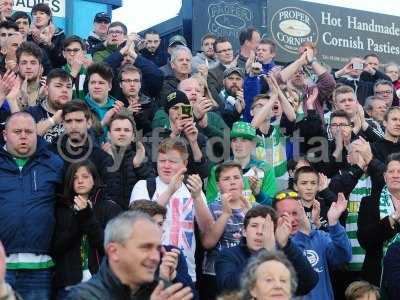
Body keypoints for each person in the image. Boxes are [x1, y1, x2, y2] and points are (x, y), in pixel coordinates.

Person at [130, 137, 214, 283]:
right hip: (149, 270)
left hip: (187, 271)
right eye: (162, 161)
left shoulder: (194, 188)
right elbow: (139, 223)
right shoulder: (143, 186)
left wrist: (198, 198)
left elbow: (207, 230)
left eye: (173, 161)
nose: (166, 166)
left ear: (185, 164)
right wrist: (169, 191)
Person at [1, 112, 64, 300]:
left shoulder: (53, 164)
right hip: (2, 267)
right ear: (5, 134)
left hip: (39, 268)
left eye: (29, 131)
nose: (23, 136)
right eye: (17, 131)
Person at [66, 211, 194, 299]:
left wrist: (172, 279)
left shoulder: (159, 288)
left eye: (158, 248)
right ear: (114, 251)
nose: (155, 257)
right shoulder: (83, 296)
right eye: (145, 247)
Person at [52, 160, 121, 299]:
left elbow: (108, 246)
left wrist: (87, 216)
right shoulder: (61, 208)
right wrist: (79, 218)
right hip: (68, 284)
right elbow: (57, 247)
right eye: (75, 177)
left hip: (100, 283)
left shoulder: (109, 208)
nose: (80, 181)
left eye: (85, 176)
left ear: (94, 180)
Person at [215, 205, 318, 296]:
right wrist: (264, 252)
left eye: (265, 227)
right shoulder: (228, 255)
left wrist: (286, 245)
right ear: (244, 232)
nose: (260, 232)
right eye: (254, 226)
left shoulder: (284, 253)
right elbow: (228, 288)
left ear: (274, 232)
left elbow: (308, 283)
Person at [274, 190, 352, 300]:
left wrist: (334, 224)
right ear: (275, 218)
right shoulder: (273, 246)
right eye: (284, 215)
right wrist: (303, 234)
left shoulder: (319, 237)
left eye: (295, 213)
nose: (291, 220)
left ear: (303, 212)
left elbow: (343, 257)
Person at [201, 161, 251, 300]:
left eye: (236, 177)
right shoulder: (210, 208)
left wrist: (249, 215)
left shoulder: (254, 208)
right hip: (215, 274)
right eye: (226, 179)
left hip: (247, 273)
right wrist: (225, 214)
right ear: (218, 185)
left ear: (242, 181)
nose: (232, 182)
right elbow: (207, 243)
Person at [129, 200, 197, 298]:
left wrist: (174, 275)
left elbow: (193, 297)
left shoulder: (172, 253)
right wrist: (160, 278)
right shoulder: (123, 257)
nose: (160, 229)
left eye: (160, 224)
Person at [206, 121, 277, 204]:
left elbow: (271, 205)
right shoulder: (217, 170)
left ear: (253, 144)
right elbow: (209, 203)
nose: (238, 144)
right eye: (234, 140)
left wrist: (258, 193)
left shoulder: (266, 169)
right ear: (230, 144)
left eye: (244, 140)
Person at [357, 152, 400, 286]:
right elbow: (364, 239)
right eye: (391, 171)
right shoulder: (369, 202)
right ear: (385, 177)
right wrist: (392, 219)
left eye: (399, 171)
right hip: (378, 276)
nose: (395, 175)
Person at [103, 114, 154, 210]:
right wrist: (111, 163)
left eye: (127, 130)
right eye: (117, 130)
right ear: (109, 135)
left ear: (133, 137)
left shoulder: (141, 157)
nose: (122, 133)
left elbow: (151, 190)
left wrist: (139, 166)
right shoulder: (100, 159)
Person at [26, 68, 73, 144]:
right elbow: (26, 139)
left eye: (68, 87)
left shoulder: (78, 114)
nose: (65, 90)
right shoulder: (31, 113)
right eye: (58, 86)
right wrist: (52, 121)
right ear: (47, 90)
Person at [28, 3, 65, 68]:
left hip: (53, 74)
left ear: (49, 16)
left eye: (42, 13)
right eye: (35, 14)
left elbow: (62, 60)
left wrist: (50, 44)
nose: (38, 16)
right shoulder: (28, 34)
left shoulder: (58, 34)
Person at [62, 35, 92, 100]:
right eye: (68, 50)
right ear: (64, 54)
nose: (72, 54)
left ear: (84, 52)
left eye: (76, 50)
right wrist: (73, 73)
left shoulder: (91, 73)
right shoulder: (58, 73)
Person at [207, 37, 236, 102]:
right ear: (216, 55)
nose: (227, 53)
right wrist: (229, 71)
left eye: (229, 49)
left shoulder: (242, 69)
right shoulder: (211, 74)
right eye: (223, 51)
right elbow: (216, 99)